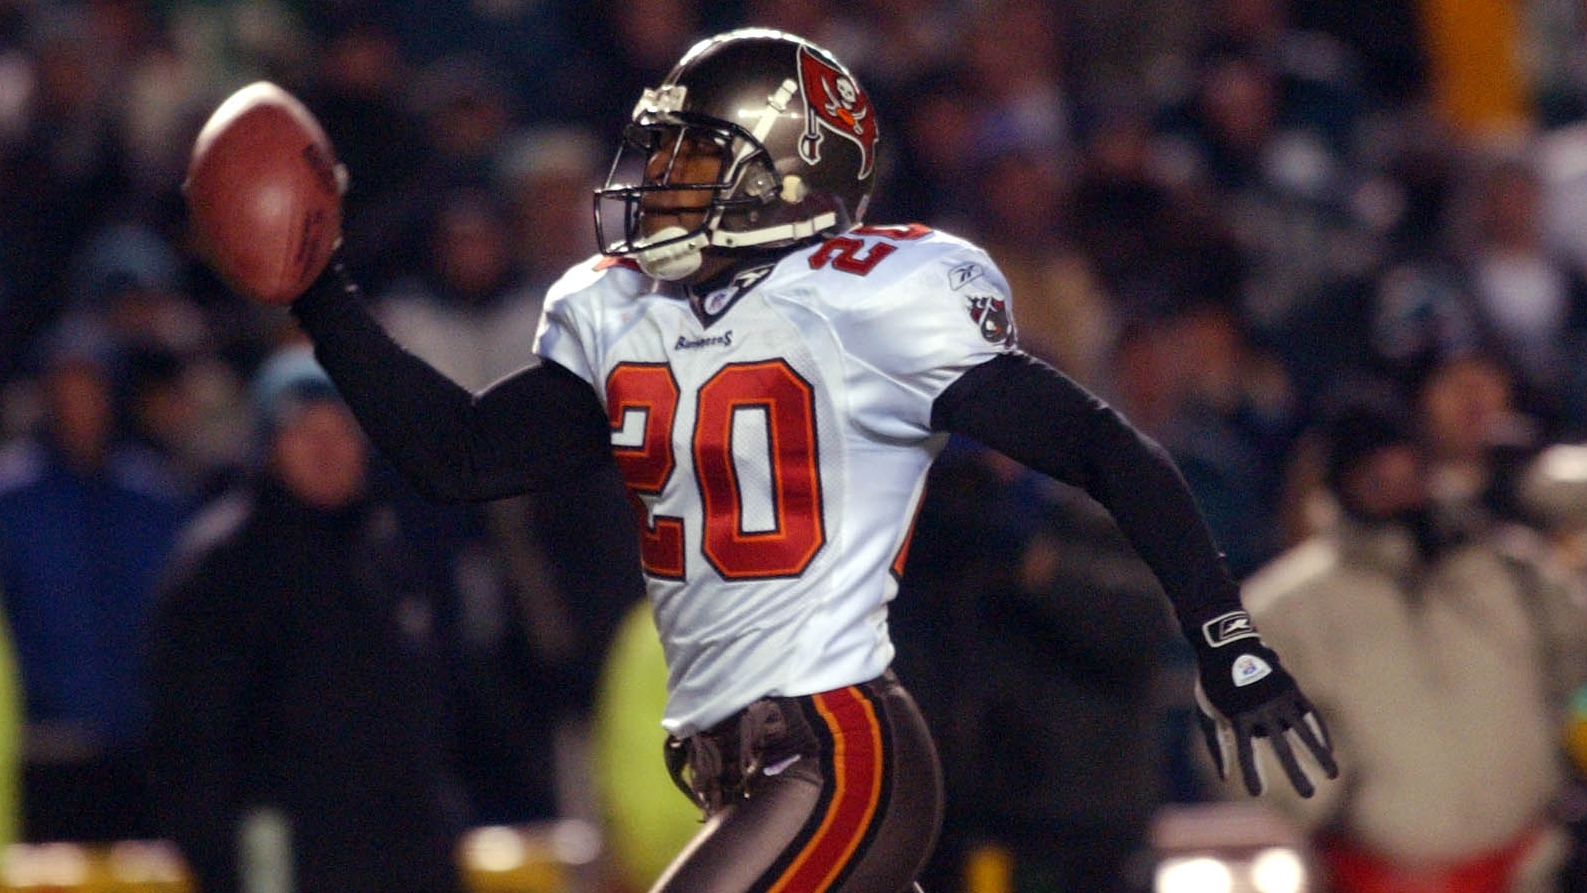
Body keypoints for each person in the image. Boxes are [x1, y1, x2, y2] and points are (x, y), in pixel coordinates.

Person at [215, 28, 1336, 893]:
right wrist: (324, 298)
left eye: (692, 154)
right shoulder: (625, 313)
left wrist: (1224, 636)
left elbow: (1098, 442)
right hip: (745, 765)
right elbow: (458, 455)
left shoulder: (873, 298)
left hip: (839, 748)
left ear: (787, 173)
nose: (655, 179)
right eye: (657, 152)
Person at [1241, 380, 1587, 893]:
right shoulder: (1286, 608)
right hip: (1376, 879)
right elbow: (1258, 745)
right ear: (1340, 483)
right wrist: (1326, 794)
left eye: (1409, 468)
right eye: (1375, 475)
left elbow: (1576, 676)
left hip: (1533, 869)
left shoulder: (1509, 567)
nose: (1397, 486)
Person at [147, 345, 469, 893]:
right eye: (306, 431)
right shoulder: (221, 566)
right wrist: (223, 865)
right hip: (284, 859)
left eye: (342, 431)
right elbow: (188, 747)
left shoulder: (387, 550)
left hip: (402, 857)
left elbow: (432, 713)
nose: (328, 450)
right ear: (269, 445)